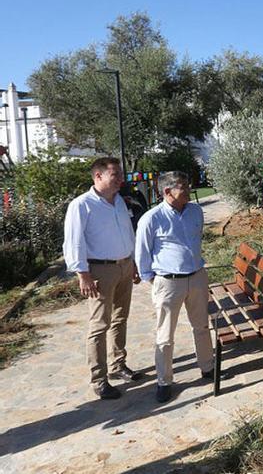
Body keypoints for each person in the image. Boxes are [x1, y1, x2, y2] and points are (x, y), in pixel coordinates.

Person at [63, 157, 143, 400]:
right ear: (98, 177)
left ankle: (119, 364)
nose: (121, 179)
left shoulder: (119, 201)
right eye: (115, 175)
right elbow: (74, 241)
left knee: (121, 318)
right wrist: (82, 274)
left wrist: (134, 261)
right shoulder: (82, 205)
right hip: (99, 270)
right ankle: (99, 379)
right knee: (99, 325)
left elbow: (128, 231)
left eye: (120, 175)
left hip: (124, 266)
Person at [135, 171, 214, 403]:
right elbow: (141, 253)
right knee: (165, 334)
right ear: (167, 192)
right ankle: (164, 381)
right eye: (183, 187)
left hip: (197, 277)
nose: (188, 190)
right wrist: (154, 279)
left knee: (201, 326)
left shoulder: (195, 211)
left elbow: (197, 238)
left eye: (187, 185)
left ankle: (207, 367)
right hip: (168, 282)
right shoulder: (152, 218)